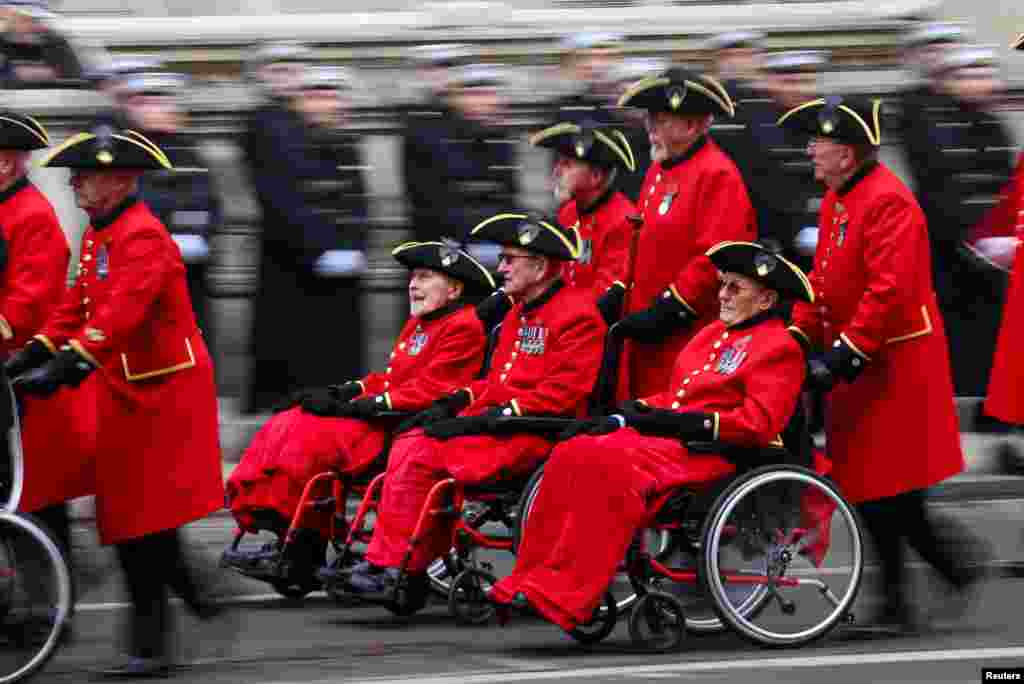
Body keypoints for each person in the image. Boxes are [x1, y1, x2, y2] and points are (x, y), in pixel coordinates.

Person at [489, 241, 812, 631]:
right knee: (572, 452)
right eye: (722, 284)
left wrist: (680, 423)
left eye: (734, 288)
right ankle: (532, 578)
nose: (721, 295)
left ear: (766, 300)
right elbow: (677, 398)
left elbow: (758, 422)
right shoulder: (711, 334)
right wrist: (625, 417)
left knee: (610, 467)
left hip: (715, 452)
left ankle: (567, 593)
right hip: (675, 443)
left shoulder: (780, 346)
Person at [5, 127, 227, 676]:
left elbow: (118, 316)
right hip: (126, 384)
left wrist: (67, 365)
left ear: (121, 181)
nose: (75, 182)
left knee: (138, 522)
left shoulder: (141, 237)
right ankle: (197, 594)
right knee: (137, 514)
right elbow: (77, 306)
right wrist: (33, 351)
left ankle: (152, 646)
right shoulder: (98, 231)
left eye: (86, 174)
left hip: (162, 391)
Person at [781, 96, 985, 631]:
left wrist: (846, 351)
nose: (810, 150)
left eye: (819, 142)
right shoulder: (837, 199)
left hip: (893, 361)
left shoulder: (888, 202)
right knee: (874, 486)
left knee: (890, 487)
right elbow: (820, 279)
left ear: (847, 153)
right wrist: (798, 332)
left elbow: (887, 291)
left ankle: (916, 588)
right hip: (860, 360)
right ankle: (942, 573)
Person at [335, 213, 605, 597]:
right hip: (503, 426)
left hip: (536, 433)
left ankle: (396, 565)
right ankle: (395, 562)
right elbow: (497, 383)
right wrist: (458, 401)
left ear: (541, 266)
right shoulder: (518, 312)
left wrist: (492, 418)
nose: (502, 267)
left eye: (511, 259)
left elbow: (563, 395)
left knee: (420, 452)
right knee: (414, 438)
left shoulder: (577, 315)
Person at [225, 240, 497, 569]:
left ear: (453, 290)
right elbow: (394, 378)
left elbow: (434, 388)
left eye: (425, 277)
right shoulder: (421, 323)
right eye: (413, 277)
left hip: (403, 428)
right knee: (290, 420)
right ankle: (286, 531)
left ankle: (301, 541)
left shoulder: (463, 326)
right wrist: (344, 391)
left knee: (310, 439)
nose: (413, 285)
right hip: (386, 419)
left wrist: (367, 404)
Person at [613, 67, 757, 399]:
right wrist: (621, 291)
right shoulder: (659, 169)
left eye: (659, 122)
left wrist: (669, 306)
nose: (649, 130)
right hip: (647, 328)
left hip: (687, 332)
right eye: (649, 120)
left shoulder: (717, 175)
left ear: (691, 126)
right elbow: (640, 241)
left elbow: (717, 255)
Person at [244, 61, 371, 413]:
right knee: (300, 361)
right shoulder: (286, 144)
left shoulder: (346, 143)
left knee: (342, 360)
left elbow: (358, 200)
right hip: (299, 269)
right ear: (301, 102)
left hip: (345, 267)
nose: (328, 103)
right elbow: (283, 202)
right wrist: (317, 249)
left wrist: (356, 246)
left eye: (333, 95)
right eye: (317, 95)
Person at [901, 45, 1016, 398]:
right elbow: (939, 188)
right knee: (959, 328)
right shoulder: (932, 124)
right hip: (949, 246)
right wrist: (973, 239)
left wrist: (1006, 233)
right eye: (968, 75)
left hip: (994, 248)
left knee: (997, 327)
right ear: (948, 81)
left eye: (984, 75)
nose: (979, 83)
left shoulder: (994, 126)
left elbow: (1005, 186)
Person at [0, 110, 73, 551]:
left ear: (7, 163)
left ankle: (48, 596)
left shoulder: (32, 215)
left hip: (19, 367)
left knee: (33, 490)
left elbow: (29, 301)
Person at [118, 68, 223, 355]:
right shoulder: (125, 153)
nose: (159, 110)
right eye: (147, 103)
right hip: (143, 273)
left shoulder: (189, 151)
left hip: (189, 272)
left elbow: (209, 201)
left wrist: (197, 234)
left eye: (164, 102)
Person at [528, 120, 636, 323]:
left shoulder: (623, 221)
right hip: (563, 319)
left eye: (567, 165)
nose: (556, 171)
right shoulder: (569, 212)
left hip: (591, 328)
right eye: (558, 162)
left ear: (595, 177)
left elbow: (605, 295)